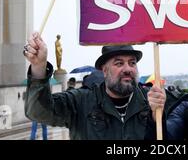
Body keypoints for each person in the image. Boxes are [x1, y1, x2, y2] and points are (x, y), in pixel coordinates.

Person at [23, 32, 166, 140]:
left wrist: (156, 116)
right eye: (119, 63)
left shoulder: (152, 100)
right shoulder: (81, 101)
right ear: (104, 70)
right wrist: (39, 67)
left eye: (132, 63)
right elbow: (37, 112)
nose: (128, 69)